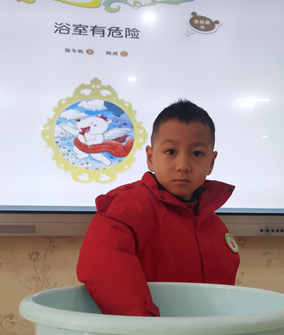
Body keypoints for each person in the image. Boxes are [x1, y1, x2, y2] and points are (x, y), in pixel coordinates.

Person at [76, 100, 240, 316]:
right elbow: (101, 267)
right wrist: (146, 326)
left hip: (206, 334)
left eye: (197, 153)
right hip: (151, 333)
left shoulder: (213, 225)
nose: (183, 166)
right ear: (151, 158)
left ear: (211, 163)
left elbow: (222, 298)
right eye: (171, 151)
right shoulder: (128, 209)